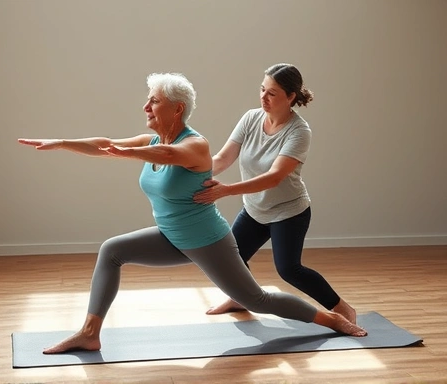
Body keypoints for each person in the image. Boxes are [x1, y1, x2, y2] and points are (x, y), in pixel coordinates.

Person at [18, 72, 366, 354]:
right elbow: (104, 142)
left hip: (207, 240)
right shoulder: (150, 142)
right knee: (112, 250)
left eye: (154, 101)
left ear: (177, 109)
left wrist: (123, 154)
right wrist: (63, 142)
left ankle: (330, 319)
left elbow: (170, 157)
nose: (146, 107)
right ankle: (90, 333)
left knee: (257, 300)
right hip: (171, 235)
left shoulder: (194, 145)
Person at [194, 63, 358, 324]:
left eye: (272, 93)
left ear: (291, 97)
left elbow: (274, 177)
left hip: (288, 212)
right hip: (254, 209)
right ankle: (239, 297)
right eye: (262, 89)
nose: (263, 97)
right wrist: (193, 172)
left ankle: (343, 309)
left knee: (289, 269)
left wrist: (226, 191)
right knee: (229, 258)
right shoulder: (250, 118)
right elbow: (224, 158)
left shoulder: (299, 131)